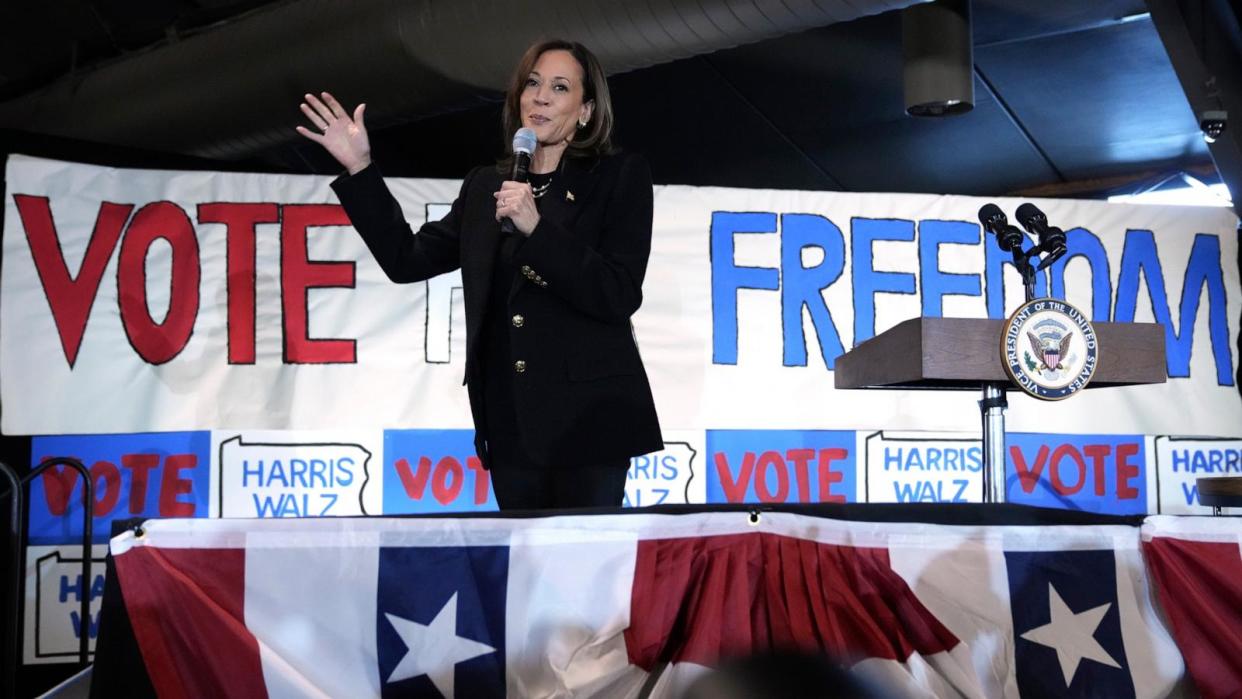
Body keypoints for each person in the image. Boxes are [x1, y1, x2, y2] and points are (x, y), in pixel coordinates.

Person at [296, 39, 662, 510]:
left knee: (585, 575)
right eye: (532, 84)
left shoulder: (619, 176)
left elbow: (617, 293)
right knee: (523, 578)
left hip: (589, 428)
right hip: (510, 426)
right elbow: (407, 260)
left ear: (586, 110)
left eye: (559, 87)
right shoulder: (487, 185)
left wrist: (536, 228)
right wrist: (361, 168)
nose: (541, 97)